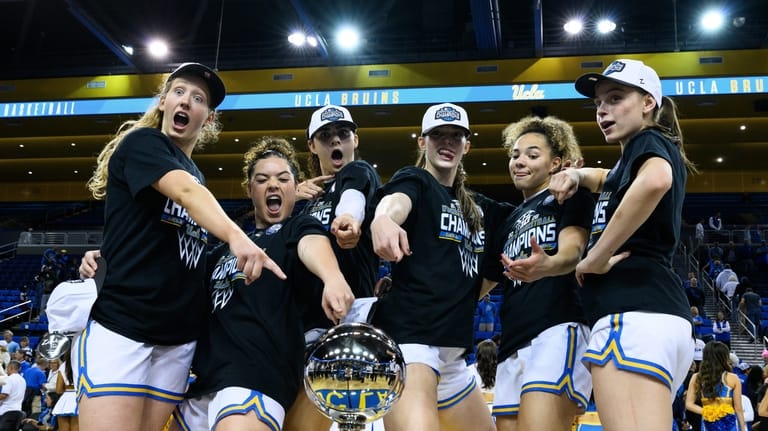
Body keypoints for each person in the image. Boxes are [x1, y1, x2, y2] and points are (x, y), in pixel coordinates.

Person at [77, 62, 286, 431]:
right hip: (126, 325)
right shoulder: (144, 144)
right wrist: (237, 237)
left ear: (208, 118)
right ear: (162, 101)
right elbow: (186, 193)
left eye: (198, 98)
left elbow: (183, 248)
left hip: (175, 341)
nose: (186, 101)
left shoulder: (197, 174)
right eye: (179, 92)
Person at [549, 58, 698, 431]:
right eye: (599, 102)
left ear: (648, 103)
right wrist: (576, 173)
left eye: (616, 98)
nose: (603, 110)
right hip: (655, 316)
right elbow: (609, 178)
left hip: (631, 316)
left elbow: (654, 181)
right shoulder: (632, 157)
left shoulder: (647, 142)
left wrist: (593, 259)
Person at [171, 137, 354, 431]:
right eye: (262, 179)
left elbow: (313, 245)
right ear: (249, 189)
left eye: (283, 179)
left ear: (295, 188)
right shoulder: (221, 249)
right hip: (201, 386)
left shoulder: (298, 228)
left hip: (254, 380)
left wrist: (332, 277)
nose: (273, 185)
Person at [369, 102, 495, 431]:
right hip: (412, 342)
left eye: (456, 136)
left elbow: (494, 271)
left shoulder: (482, 210)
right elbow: (396, 201)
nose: (447, 142)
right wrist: (383, 220)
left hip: (453, 358)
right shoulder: (416, 181)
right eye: (437, 135)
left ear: (467, 145)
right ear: (422, 142)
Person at [482, 115, 594, 431]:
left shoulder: (568, 194)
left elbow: (573, 250)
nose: (520, 162)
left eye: (533, 155)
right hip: (512, 339)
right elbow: (488, 280)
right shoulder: (507, 220)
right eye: (515, 155)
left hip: (557, 327)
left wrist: (550, 264)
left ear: (555, 163)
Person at [282, 104, 382, 431]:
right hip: (299, 329)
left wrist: (349, 221)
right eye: (325, 136)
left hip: (345, 326)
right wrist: (289, 199)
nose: (335, 141)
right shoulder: (304, 201)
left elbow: (352, 199)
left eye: (342, 134)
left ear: (355, 140)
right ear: (312, 145)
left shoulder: (360, 173)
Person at [685, 341, 745, 431]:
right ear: (724, 357)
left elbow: (689, 404)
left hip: (708, 422)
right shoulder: (733, 378)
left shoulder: (697, 377)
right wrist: (743, 428)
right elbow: (738, 408)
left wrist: (707, 411)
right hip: (729, 423)